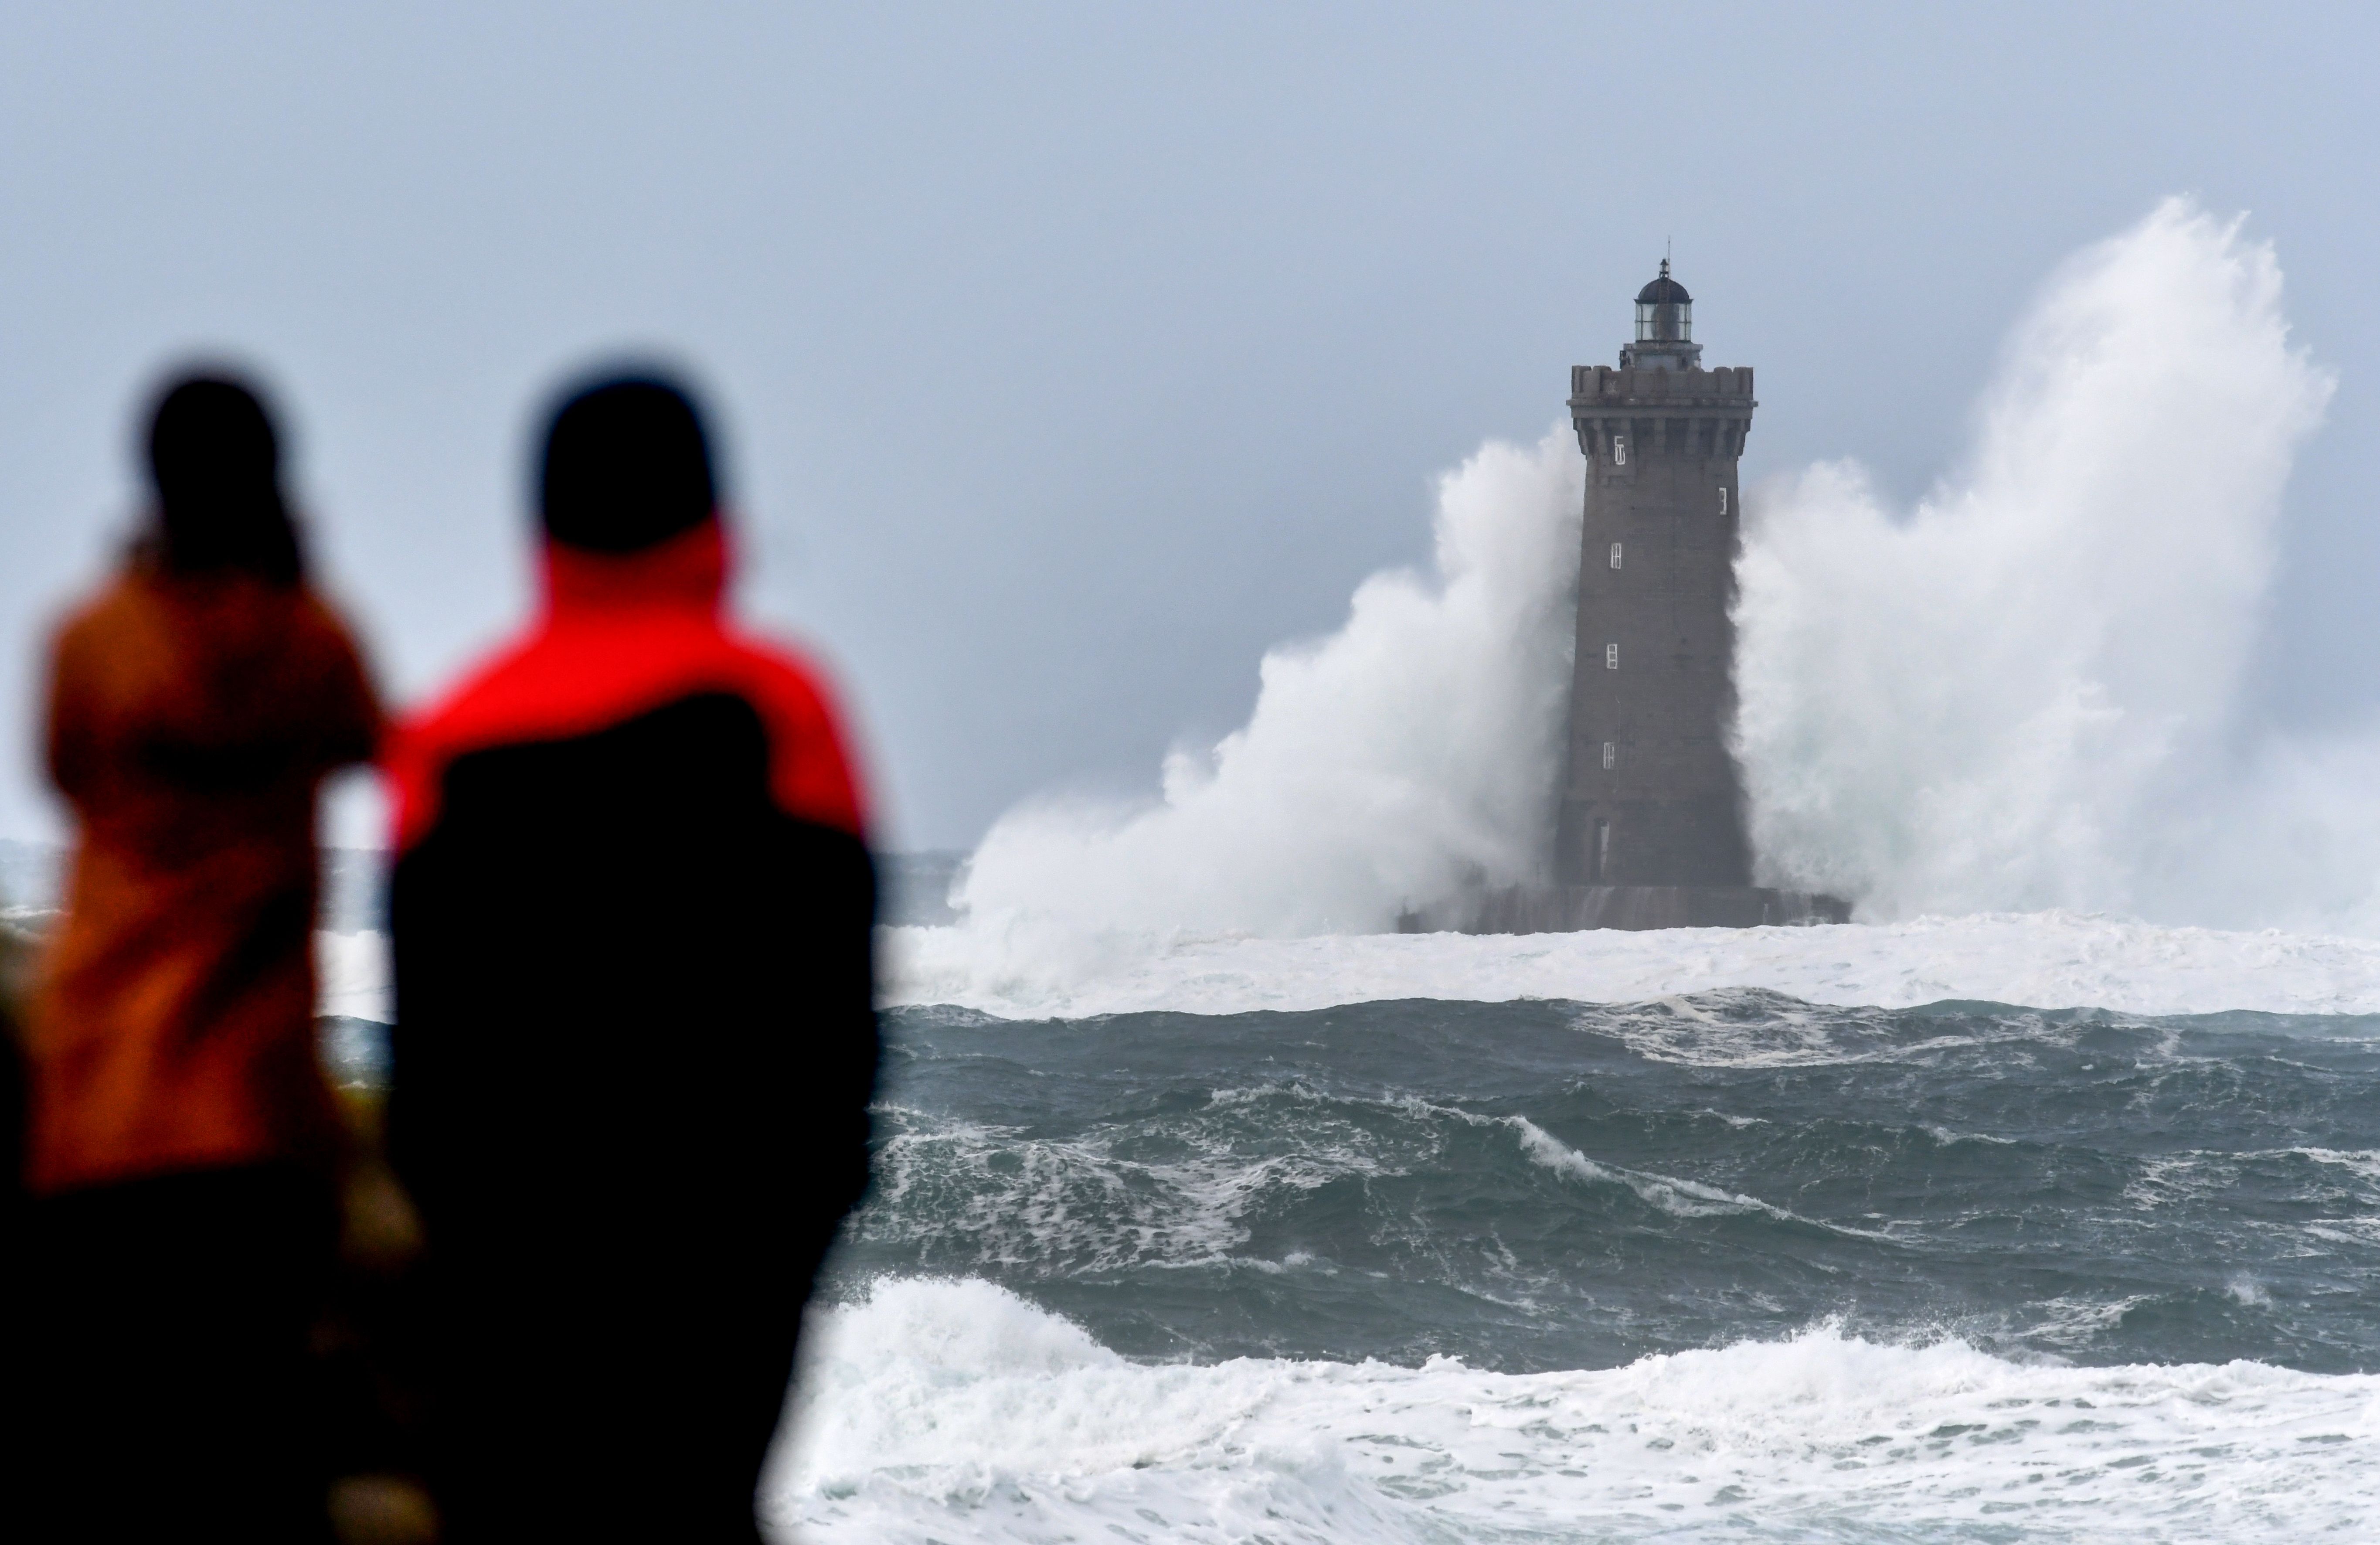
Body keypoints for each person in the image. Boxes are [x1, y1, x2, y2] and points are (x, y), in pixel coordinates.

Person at [384, 373, 879, 1542]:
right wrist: (796, 1227)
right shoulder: (777, 711)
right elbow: (837, 1027)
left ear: (541, 530)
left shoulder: (448, 742)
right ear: (716, 520)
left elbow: (431, 1069)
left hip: (510, 1277)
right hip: (721, 1269)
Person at [10, 373, 383, 1541]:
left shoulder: (94, 639)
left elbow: (65, 766)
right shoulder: (310, 641)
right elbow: (364, 736)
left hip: (101, 1114)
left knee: (115, 1463)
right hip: (252, 1125)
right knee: (248, 1464)